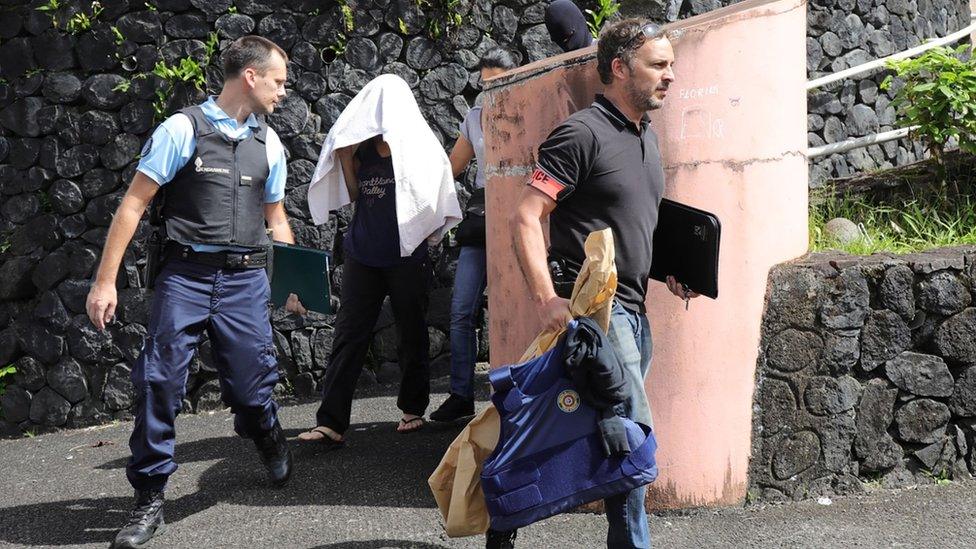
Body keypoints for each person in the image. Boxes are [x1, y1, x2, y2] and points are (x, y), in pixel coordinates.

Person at [85, 36, 301, 549]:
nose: (283, 92)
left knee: (252, 387)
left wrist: (293, 281)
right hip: (185, 277)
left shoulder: (269, 143)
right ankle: (149, 499)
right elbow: (134, 205)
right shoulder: (181, 129)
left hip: (246, 279)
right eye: (278, 81)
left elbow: (276, 217)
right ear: (250, 77)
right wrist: (104, 280)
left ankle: (265, 431)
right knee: (158, 381)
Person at [501, 19, 698, 549]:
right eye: (658, 65)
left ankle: (501, 519)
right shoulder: (580, 133)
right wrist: (546, 299)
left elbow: (631, 225)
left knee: (581, 430)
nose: (670, 76)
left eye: (671, 65)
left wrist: (670, 268)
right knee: (632, 439)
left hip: (636, 309)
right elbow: (524, 217)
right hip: (597, 315)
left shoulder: (643, 137)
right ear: (618, 68)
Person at [299, 74, 461, 445]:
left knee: (411, 329)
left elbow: (437, 194)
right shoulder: (365, 149)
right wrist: (343, 156)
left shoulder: (418, 146)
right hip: (364, 252)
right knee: (349, 334)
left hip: (406, 255)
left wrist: (428, 238)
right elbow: (357, 195)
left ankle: (412, 407)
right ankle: (332, 422)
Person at [429, 48, 519, 423]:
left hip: (519, 210)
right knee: (461, 307)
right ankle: (461, 394)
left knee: (518, 307)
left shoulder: (528, 109)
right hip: (482, 212)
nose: (490, 90)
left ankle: (519, 394)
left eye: (497, 81)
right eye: (484, 84)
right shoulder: (474, 117)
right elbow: (452, 166)